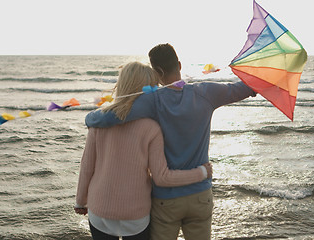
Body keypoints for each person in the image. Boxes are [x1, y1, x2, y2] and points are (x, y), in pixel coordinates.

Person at [85, 43, 256, 240]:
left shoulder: (152, 101)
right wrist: (268, 78)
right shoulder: (206, 92)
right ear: (180, 65)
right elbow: (244, 89)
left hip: (166, 200)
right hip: (200, 194)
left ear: (156, 72)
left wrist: (89, 120)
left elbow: (111, 116)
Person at [75, 61, 212, 240]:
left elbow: (87, 168)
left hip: (100, 210)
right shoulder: (151, 128)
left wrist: (80, 201)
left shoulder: (98, 122)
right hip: (135, 214)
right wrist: (202, 172)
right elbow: (162, 177)